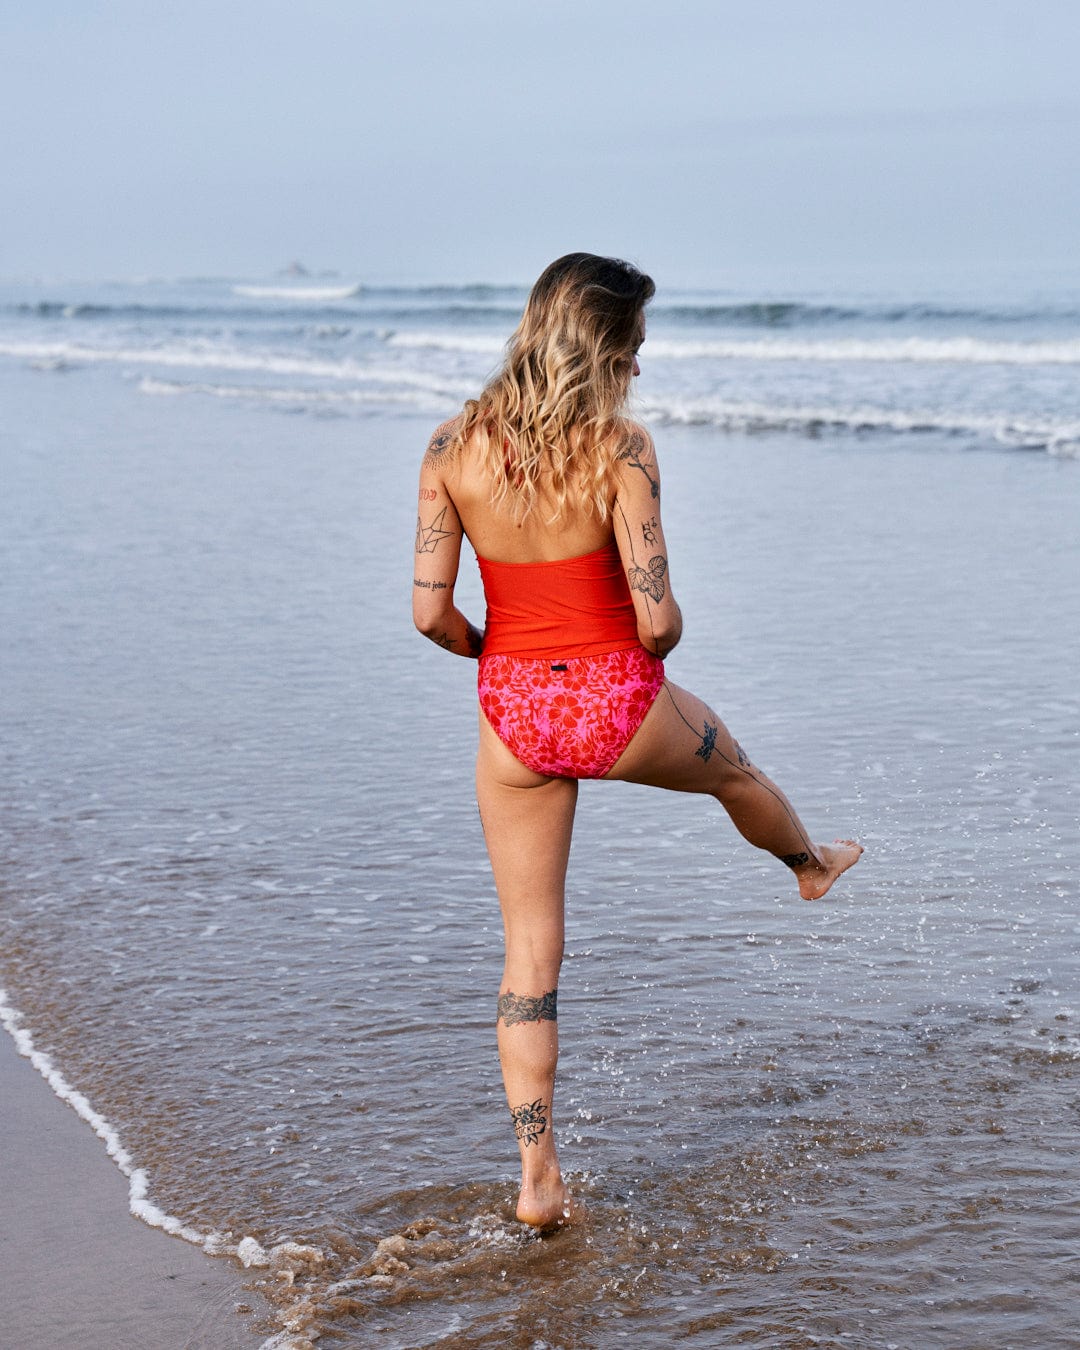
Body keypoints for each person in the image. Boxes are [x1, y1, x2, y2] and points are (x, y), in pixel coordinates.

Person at [412, 253, 862, 1232]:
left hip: (512, 717)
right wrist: (650, 619)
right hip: (615, 704)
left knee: (530, 955)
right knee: (734, 769)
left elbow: (429, 615)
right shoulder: (621, 450)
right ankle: (811, 865)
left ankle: (537, 1177)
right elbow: (657, 628)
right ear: (604, 347)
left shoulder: (450, 446)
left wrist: (502, 656)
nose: (642, 369)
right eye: (637, 348)